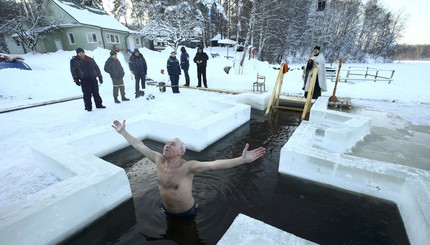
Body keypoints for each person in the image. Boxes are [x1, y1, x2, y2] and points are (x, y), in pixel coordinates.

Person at [111, 119, 266, 219]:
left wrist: (241, 159)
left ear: (181, 152)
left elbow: (215, 165)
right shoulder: (158, 159)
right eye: (167, 143)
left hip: (186, 213)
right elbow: (139, 145)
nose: (167, 145)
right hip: (166, 211)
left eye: (173, 144)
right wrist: (123, 132)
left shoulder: (188, 167)